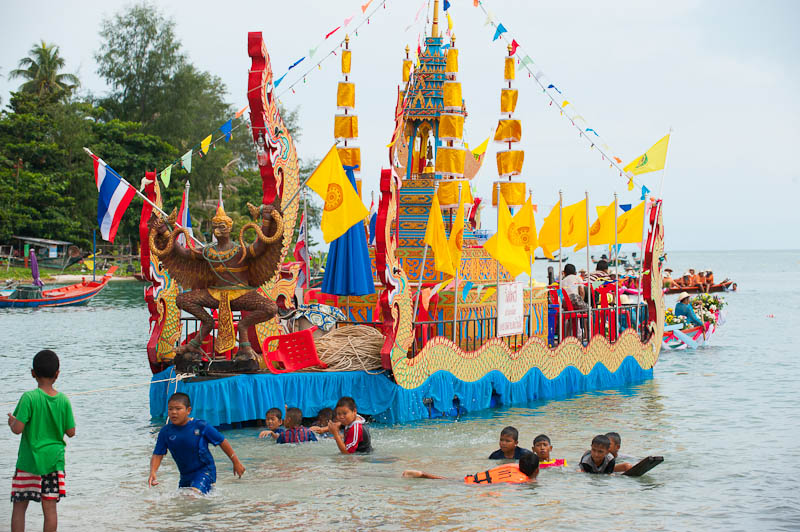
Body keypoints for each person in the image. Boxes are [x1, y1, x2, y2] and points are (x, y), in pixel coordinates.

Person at [8, 350, 76, 532]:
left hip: (28, 463)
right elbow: (71, 432)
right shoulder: (63, 400)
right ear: (57, 374)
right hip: (53, 463)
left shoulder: (29, 398)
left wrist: (11, 422)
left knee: (19, 507)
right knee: (50, 509)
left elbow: (17, 429)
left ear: (33, 373)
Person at [148, 393, 245, 494]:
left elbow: (222, 441)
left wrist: (236, 462)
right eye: (170, 409)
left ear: (188, 410)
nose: (174, 412)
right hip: (185, 476)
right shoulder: (165, 432)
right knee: (184, 503)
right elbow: (158, 454)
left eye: (178, 409)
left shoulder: (201, 426)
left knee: (193, 496)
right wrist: (153, 472)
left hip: (205, 471)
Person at [402, 453, 540, 484]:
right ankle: (423, 474)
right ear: (536, 470)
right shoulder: (523, 480)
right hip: (472, 485)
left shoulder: (512, 466)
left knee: (450, 480)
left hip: (472, 478)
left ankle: (422, 474)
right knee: (447, 481)